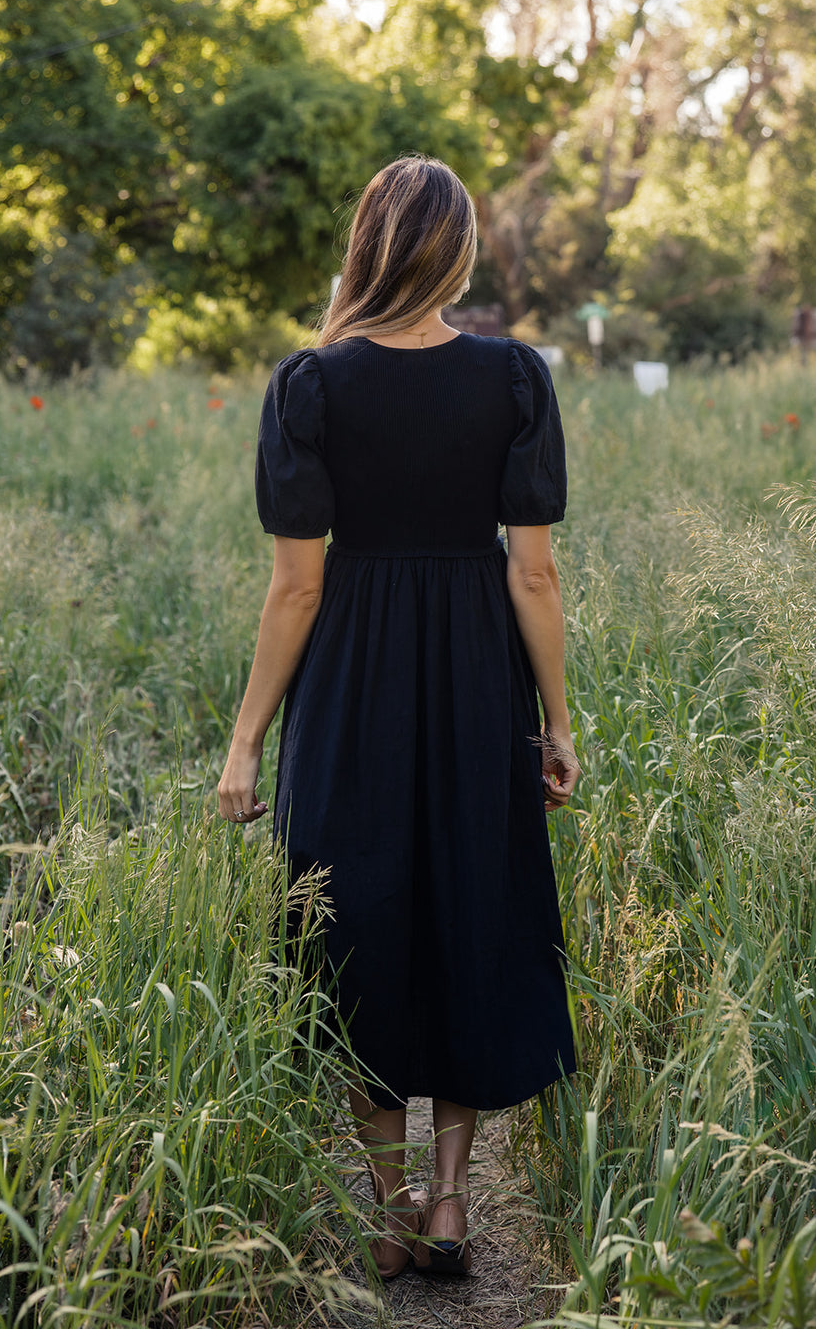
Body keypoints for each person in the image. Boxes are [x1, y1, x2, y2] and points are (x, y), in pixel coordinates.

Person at [217, 155, 579, 1281]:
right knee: (473, 902)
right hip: (477, 675)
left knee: (355, 918)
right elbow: (534, 575)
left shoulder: (311, 385)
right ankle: (456, 1201)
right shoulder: (514, 376)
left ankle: (388, 1200)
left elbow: (296, 587)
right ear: (456, 250)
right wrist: (557, 720)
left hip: (353, 679)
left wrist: (244, 738)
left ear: (367, 244)